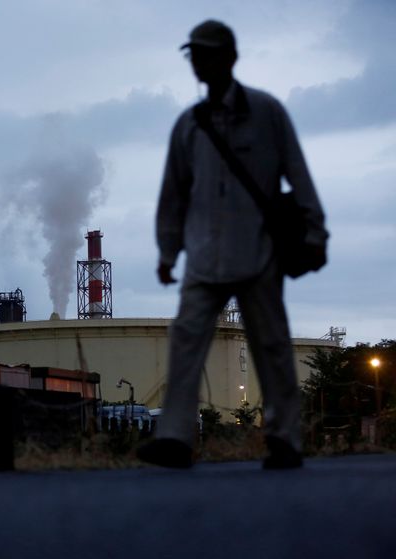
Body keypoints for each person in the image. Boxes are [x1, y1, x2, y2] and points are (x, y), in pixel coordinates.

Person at [137, 20, 328, 469]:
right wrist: (168, 252)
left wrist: (315, 233)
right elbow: (173, 194)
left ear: (230, 57)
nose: (198, 63)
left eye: (206, 53)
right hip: (204, 256)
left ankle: (284, 439)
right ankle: (177, 439)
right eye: (193, 55)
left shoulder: (268, 114)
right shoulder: (189, 125)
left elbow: (299, 177)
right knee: (185, 341)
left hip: (258, 252)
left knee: (273, 345)